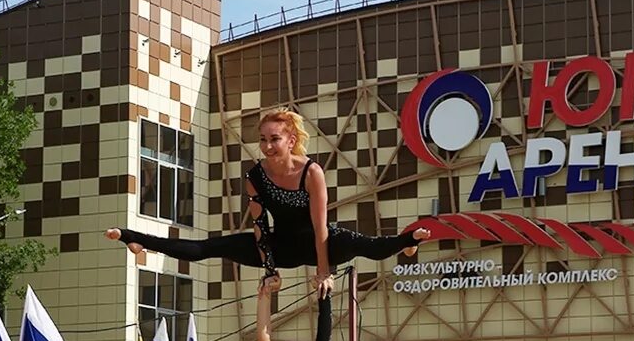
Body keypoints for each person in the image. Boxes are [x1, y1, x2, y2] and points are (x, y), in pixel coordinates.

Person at [108, 109, 430, 281]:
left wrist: (323, 272)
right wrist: (270, 268)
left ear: (291, 140)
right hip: (279, 244)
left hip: (321, 243)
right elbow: (260, 225)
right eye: (262, 139)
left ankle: (408, 242)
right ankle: (135, 238)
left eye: (274, 139)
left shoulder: (311, 172)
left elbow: (320, 228)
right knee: (210, 246)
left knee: (367, 245)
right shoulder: (256, 176)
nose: (266, 146)